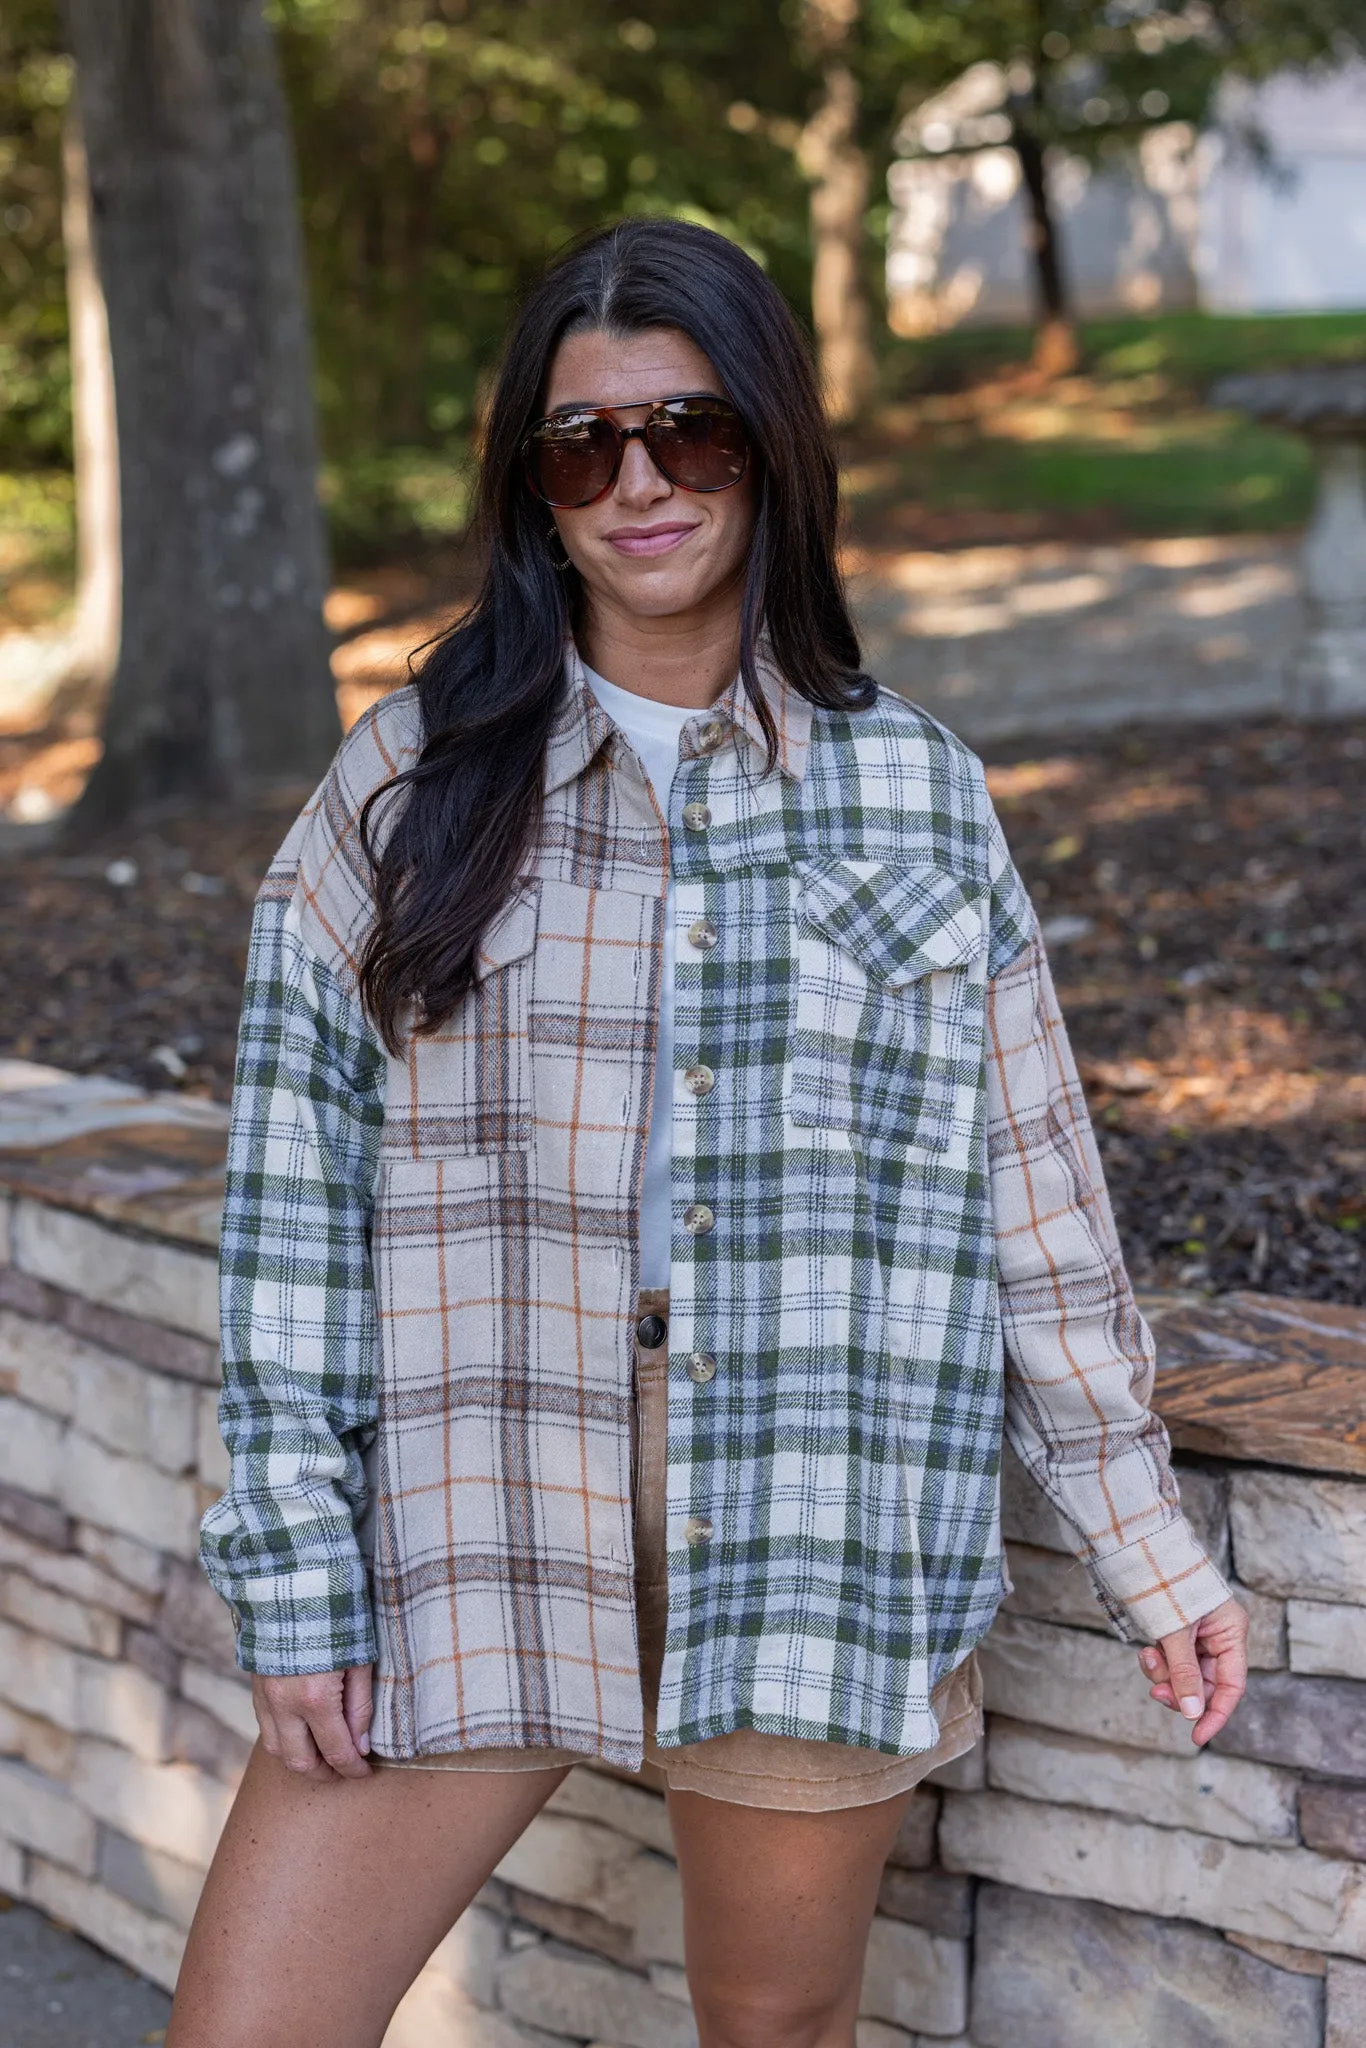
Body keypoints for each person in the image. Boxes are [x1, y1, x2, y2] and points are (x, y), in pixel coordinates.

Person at [169, 217, 1248, 2048]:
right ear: (533, 483)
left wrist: (1145, 1542)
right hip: (480, 1479)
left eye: (693, 430)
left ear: (772, 445)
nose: (640, 483)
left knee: (773, 2031)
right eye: (583, 444)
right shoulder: (408, 785)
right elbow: (294, 1205)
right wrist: (291, 1567)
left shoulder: (911, 789)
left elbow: (1033, 1195)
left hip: (818, 1486)